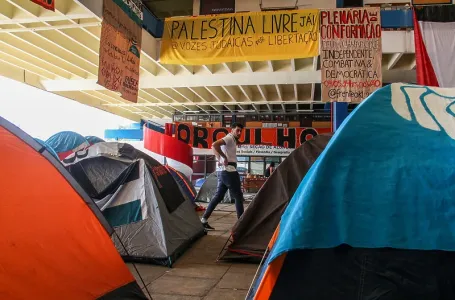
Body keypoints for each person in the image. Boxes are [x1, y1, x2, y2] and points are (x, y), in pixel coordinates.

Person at [201, 123, 245, 230]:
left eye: (241, 131)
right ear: (232, 130)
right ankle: (242, 225)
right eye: (237, 130)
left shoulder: (233, 139)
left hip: (223, 171)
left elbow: (214, 147)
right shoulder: (229, 138)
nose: (239, 133)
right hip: (229, 171)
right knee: (238, 196)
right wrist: (223, 157)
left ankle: (203, 220)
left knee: (218, 197)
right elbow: (214, 144)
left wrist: (219, 158)